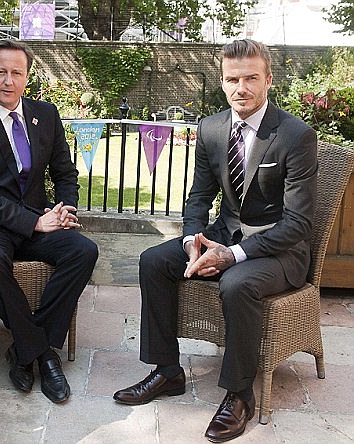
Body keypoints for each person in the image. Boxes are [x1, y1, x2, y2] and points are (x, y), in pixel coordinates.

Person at [113, 39, 317, 442]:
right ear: (222, 83)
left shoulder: (296, 136)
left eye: (251, 78)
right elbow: (199, 197)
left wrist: (233, 254)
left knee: (236, 282)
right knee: (154, 260)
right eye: (232, 79)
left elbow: (298, 223)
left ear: (269, 80)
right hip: (225, 233)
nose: (241, 87)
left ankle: (240, 393)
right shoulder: (210, 128)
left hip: (279, 250)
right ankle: (167, 371)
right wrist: (192, 240)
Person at [0, 39, 98, 404]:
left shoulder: (45, 115)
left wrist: (64, 209)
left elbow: (65, 172)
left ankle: (24, 349)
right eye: (0, 72)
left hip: (35, 216)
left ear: (27, 77)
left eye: (17, 72)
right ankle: (43, 353)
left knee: (83, 251)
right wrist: (35, 224)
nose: (8, 80)